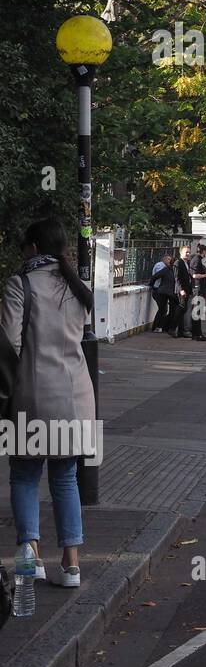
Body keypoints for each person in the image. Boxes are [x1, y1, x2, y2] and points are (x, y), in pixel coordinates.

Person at [2, 217, 94, 589]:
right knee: (66, 477)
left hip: (33, 394)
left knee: (24, 475)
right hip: (78, 397)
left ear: (34, 248)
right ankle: (71, 565)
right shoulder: (77, 286)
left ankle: (31, 556)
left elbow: (8, 344)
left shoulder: (20, 284)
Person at [189, 245, 206, 341]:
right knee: (197, 312)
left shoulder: (197, 260)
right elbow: (194, 275)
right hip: (198, 289)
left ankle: (197, 333)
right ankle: (197, 334)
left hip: (199, 288)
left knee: (198, 312)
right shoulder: (197, 260)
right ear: (203, 251)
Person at [148, 253, 176, 334]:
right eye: (168, 259)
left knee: (163, 309)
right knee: (162, 309)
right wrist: (151, 285)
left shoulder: (168, 268)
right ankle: (157, 326)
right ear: (163, 259)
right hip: (158, 290)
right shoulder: (161, 266)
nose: (169, 261)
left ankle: (161, 326)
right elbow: (156, 276)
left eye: (170, 260)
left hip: (162, 290)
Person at [174, 245, 194, 338]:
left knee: (184, 310)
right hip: (182, 290)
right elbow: (177, 277)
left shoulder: (187, 263)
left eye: (189, 252)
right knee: (181, 309)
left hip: (188, 290)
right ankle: (173, 328)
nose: (188, 254)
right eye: (186, 252)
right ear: (181, 252)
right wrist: (181, 289)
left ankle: (181, 331)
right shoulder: (178, 263)